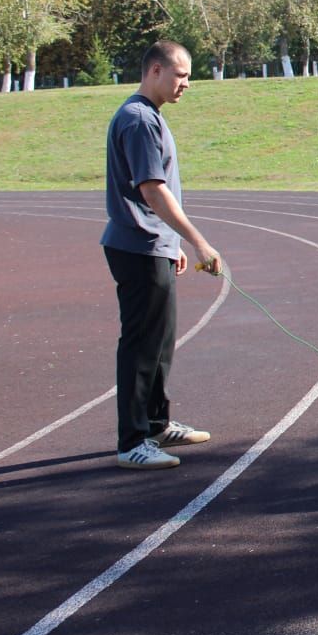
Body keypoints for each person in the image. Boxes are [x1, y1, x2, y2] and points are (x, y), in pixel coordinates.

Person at [103, 40, 222, 469]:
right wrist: (197, 240)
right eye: (181, 75)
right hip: (136, 246)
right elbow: (152, 190)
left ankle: (155, 423)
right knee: (140, 345)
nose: (186, 84)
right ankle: (132, 441)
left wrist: (170, 245)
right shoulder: (137, 120)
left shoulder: (150, 117)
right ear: (154, 70)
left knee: (160, 341)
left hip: (153, 245)